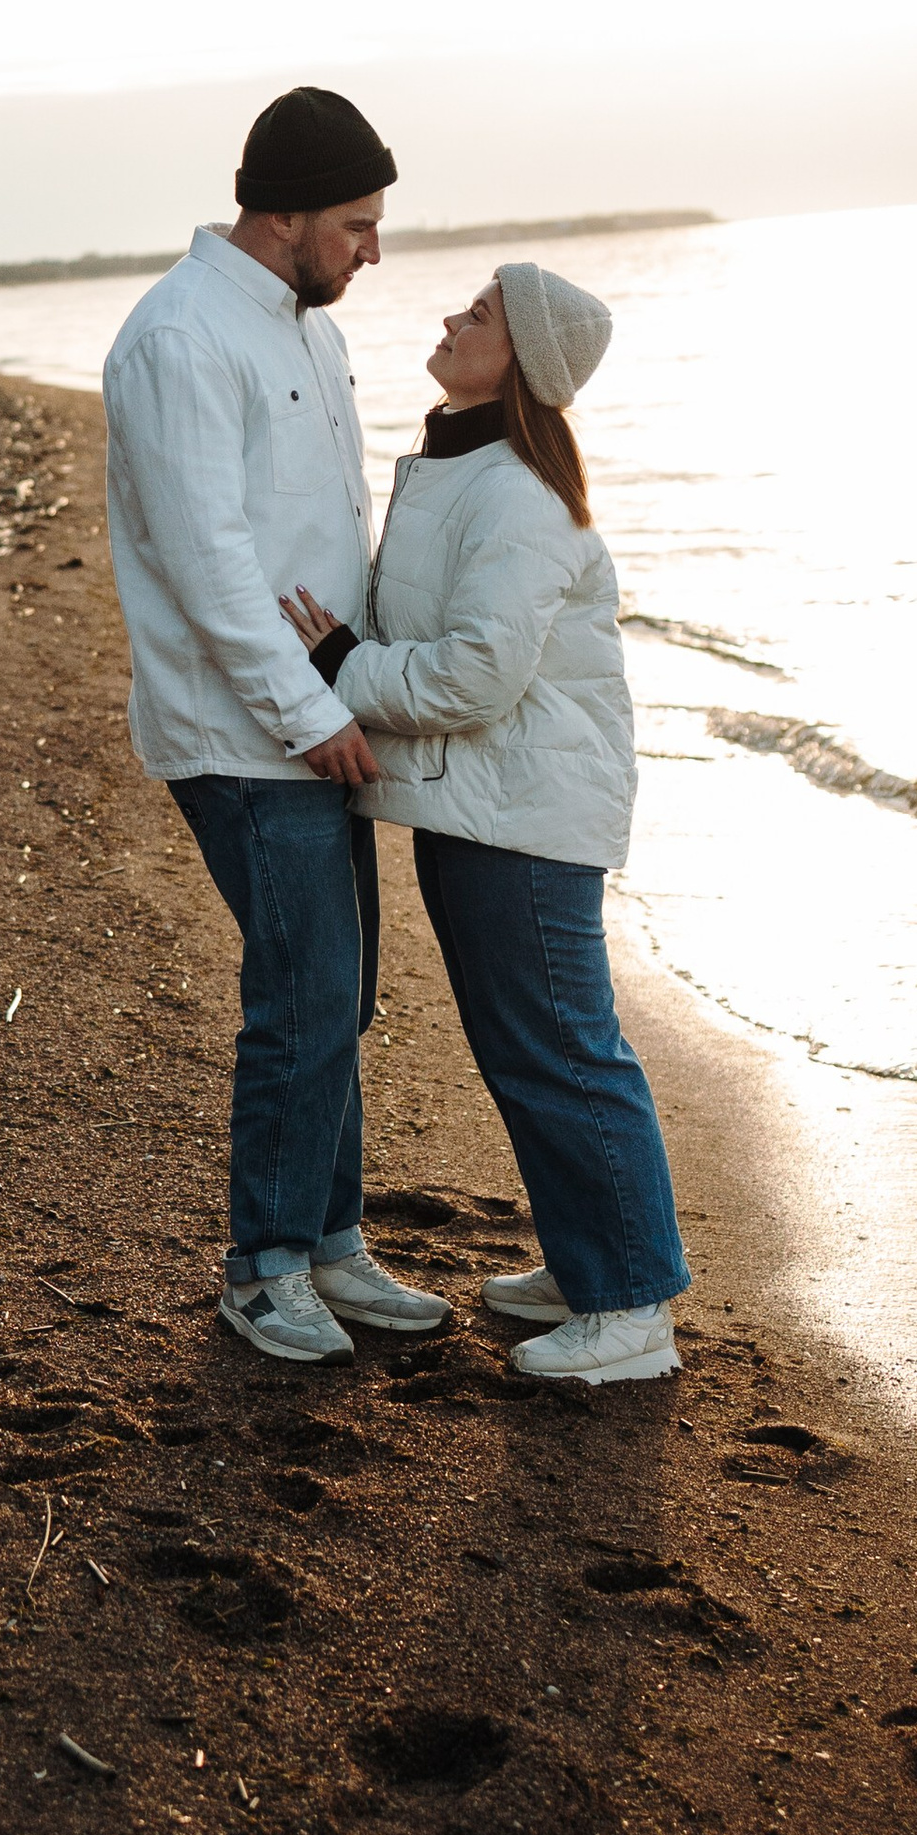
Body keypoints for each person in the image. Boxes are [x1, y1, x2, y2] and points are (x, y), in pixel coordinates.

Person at [281, 262, 689, 1384]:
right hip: (483, 808)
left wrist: (341, 666)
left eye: (481, 315)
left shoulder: (514, 493)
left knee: (565, 1054)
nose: (454, 320)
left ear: (521, 361)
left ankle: (632, 1310)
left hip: (528, 817)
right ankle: (586, 1261)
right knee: (526, 1051)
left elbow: (473, 679)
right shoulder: (461, 469)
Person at [101, 88, 450, 1365]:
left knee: (338, 995)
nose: (373, 249)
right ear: (287, 210)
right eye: (357, 223)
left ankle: (333, 1245)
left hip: (312, 719)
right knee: (300, 998)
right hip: (244, 739)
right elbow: (208, 564)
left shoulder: (304, 329)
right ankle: (264, 1271)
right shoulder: (181, 338)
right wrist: (309, 717)